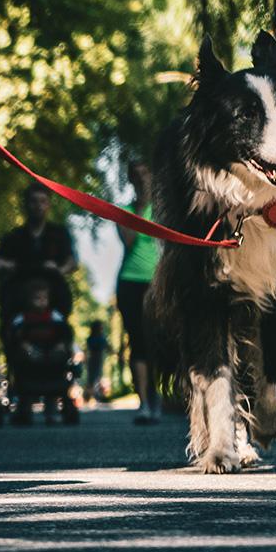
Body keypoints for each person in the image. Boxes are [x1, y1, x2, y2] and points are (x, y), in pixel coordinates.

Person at [0, 182, 77, 333]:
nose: (38, 206)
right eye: (34, 201)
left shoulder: (59, 234)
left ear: (49, 205)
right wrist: (9, 265)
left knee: (62, 328)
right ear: (26, 204)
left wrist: (59, 269)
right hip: (19, 295)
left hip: (54, 295)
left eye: (43, 201)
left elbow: (71, 262)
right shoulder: (14, 236)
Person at [115, 160, 160, 425]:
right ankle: (144, 402)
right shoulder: (126, 211)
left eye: (146, 172)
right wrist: (142, 206)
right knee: (138, 342)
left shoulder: (167, 207)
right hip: (131, 282)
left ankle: (160, 397)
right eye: (136, 175)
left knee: (161, 340)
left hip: (159, 283)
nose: (142, 177)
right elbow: (129, 240)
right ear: (131, 180)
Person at [6, 279, 76, 425]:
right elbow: (15, 337)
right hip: (29, 357)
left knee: (56, 377)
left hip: (52, 355)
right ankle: (25, 411)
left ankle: (51, 412)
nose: (42, 302)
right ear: (29, 300)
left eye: (44, 298)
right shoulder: (22, 318)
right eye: (37, 298)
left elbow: (65, 333)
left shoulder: (54, 316)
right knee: (24, 370)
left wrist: (62, 346)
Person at [84, 319, 110, 402]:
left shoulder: (90, 338)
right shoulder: (101, 338)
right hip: (97, 360)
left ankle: (90, 396)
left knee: (92, 379)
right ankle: (95, 396)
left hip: (92, 360)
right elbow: (107, 347)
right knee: (96, 378)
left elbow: (87, 349)